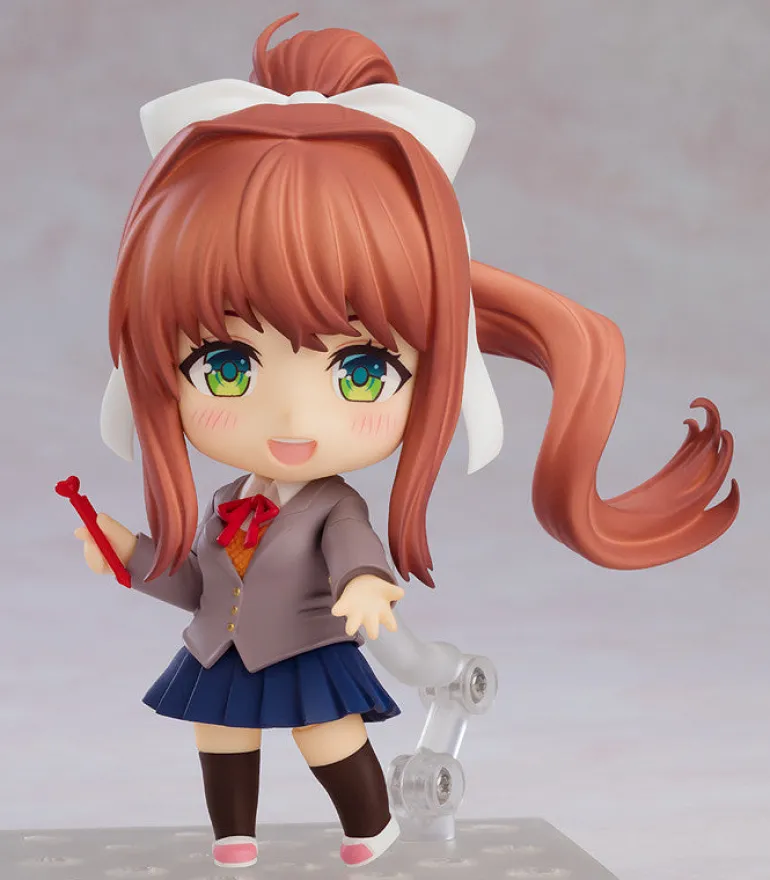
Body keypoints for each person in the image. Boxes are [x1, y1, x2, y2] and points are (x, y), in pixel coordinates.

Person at [74, 12, 739, 870]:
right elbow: (196, 583)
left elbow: (355, 552)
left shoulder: (331, 507)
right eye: (227, 366)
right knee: (218, 734)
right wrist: (127, 552)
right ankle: (233, 834)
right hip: (223, 649)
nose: (293, 418)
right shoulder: (227, 503)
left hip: (305, 646)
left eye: (360, 372)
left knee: (325, 734)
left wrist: (366, 586)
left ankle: (371, 824)